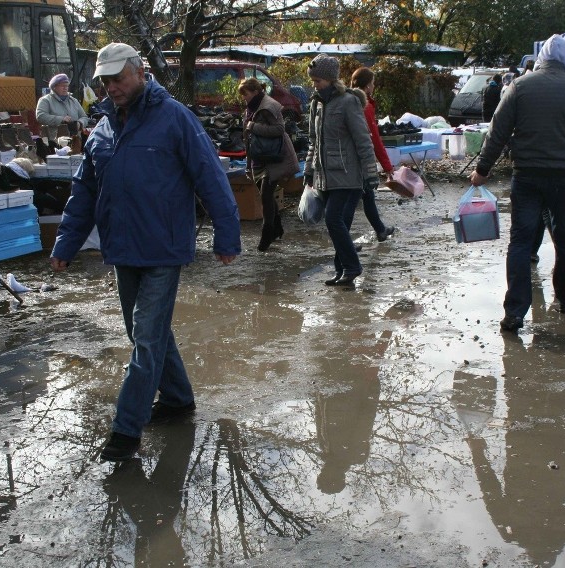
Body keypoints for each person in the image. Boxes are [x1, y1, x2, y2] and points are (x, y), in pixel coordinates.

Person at [49, 43, 241, 462]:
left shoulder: (175, 119)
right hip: (122, 248)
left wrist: (227, 235)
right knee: (145, 334)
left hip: (163, 248)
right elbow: (84, 191)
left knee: (146, 342)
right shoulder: (102, 129)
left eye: (118, 78)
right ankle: (177, 398)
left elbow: (210, 176)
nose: (110, 87)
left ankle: (125, 431)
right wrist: (66, 242)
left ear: (139, 72)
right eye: (104, 81)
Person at [469, 35, 565, 332]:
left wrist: (482, 169)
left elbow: (498, 131)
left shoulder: (520, 86)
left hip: (527, 176)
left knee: (520, 242)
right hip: (563, 176)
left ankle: (515, 312)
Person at [303, 54, 377, 287]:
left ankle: (352, 267)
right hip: (324, 174)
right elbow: (313, 141)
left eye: (318, 81)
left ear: (331, 79)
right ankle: (342, 271)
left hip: (348, 174)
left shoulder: (348, 102)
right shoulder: (316, 104)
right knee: (339, 225)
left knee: (333, 219)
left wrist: (370, 173)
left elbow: (363, 139)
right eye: (313, 81)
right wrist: (308, 169)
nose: (314, 85)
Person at [239, 77, 299, 251]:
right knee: (265, 194)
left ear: (255, 91)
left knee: (266, 195)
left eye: (246, 93)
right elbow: (247, 137)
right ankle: (277, 227)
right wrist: (248, 164)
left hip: (274, 158)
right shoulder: (251, 107)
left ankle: (267, 235)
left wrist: (254, 127)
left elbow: (279, 129)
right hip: (259, 157)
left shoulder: (268, 106)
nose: (244, 97)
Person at [350, 66, 395, 243]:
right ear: (368, 85)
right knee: (354, 199)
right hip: (358, 158)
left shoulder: (347, 99)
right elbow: (374, 139)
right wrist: (387, 166)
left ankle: (380, 229)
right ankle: (344, 243)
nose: (374, 86)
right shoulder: (364, 106)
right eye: (373, 83)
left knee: (367, 195)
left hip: (350, 157)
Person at [36, 73, 89, 140]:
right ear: (54, 87)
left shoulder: (74, 101)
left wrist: (80, 123)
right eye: (62, 86)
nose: (65, 88)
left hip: (75, 140)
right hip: (54, 140)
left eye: (67, 86)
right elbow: (41, 116)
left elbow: (84, 117)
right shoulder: (45, 100)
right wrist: (61, 119)